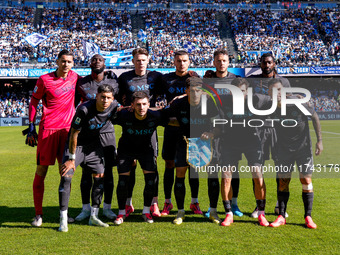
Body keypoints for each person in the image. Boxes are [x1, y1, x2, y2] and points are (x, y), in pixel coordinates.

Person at [27, 50, 80, 227]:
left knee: (66, 173)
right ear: (57, 62)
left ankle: (63, 213)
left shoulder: (75, 78)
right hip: (48, 130)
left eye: (69, 62)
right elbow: (34, 101)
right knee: (42, 171)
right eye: (63, 61)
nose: (66, 65)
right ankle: (38, 215)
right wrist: (32, 125)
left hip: (67, 132)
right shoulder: (44, 79)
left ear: (73, 64)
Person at [58, 84, 119, 232]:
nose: (105, 100)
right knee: (67, 176)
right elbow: (73, 134)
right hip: (76, 146)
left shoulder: (114, 106)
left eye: (108, 98)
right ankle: (63, 220)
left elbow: (122, 112)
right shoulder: (84, 110)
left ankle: (94, 216)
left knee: (100, 176)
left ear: (112, 99)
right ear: (96, 96)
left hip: (94, 146)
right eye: (102, 97)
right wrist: (71, 158)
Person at [267, 79, 323, 229]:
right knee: (283, 181)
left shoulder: (297, 102)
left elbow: (315, 117)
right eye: (273, 91)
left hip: (303, 148)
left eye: (279, 90)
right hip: (283, 149)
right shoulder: (269, 108)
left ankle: (308, 216)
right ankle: (281, 216)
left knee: (305, 179)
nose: (277, 94)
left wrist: (320, 141)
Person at [165, 77, 220, 225]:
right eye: (192, 91)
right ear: (186, 91)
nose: (196, 94)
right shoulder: (178, 104)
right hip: (185, 143)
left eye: (198, 91)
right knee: (180, 174)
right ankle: (180, 212)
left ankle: (213, 211)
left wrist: (212, 133)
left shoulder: (209, 103)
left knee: (212, 175)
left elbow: (220, 125)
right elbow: (164, 118)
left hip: (206, 144)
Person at [218, 78, 270, 227]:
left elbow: (277, 97)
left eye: (242, 91)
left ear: (247, 92)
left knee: (258, 177)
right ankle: (229, 214)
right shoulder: (224, 101)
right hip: (230, 141)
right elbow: (203, 95)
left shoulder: (258, 100)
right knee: (226, 177)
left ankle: (261, 214)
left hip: (252, 141)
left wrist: (292, 97)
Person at [118, 48, 163, 218]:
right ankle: (128, 203)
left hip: (148, 128)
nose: (141, 63)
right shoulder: (125, 78)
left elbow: (166, 90)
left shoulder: (156, 77)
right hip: (130, 126)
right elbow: (117, 97)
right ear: (133, 61)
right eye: (138, 60)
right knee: (129, 165)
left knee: (152, 166)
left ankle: (154, 204)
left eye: (143, 60)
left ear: (148, 60)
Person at [74, 54, 119, 222]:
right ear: (89, 63)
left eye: (99, 60)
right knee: (87, 171)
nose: (96, 62)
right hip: (88, 133)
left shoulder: (113, 81)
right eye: (93, 60)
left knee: (108, 171)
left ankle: (106, 208)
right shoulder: (82, 82)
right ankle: (86, 209)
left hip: (107, 132)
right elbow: (74, 106)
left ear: (104, 63)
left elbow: (118, 104)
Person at [113, 91, 168, 225]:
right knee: (122, 182)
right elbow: (108, 115)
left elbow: (171, 116)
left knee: (150, 181)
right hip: (126, 151)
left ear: (149, 104)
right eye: (138, 105)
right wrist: (122, 108)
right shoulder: (124, 115)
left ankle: (146, 211)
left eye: (144, 104)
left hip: (146, 151)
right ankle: (121, 213)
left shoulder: (156, 115)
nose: (141, 107)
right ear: (132, 105)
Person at [248, 53, 291, 218]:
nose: (267, 64)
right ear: (260, 63)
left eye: (269, 62)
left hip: (279, 130)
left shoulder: (284, 81)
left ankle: (280, 206)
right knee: (258, 169)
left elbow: (286, 101)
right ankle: (259, 206)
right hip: (258, 130)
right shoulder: (252, 80)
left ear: (274, 63)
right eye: (264, 62)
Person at [160, 50, 201, 216]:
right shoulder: (166, 79)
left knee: (194, 166)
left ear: (189, 62)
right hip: (172, 129)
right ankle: (167, 202)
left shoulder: (195, 77)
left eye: (184, 60)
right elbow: (158, 99)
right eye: (178, 60)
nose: (182, 63)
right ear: (174, 62)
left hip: (192, 129)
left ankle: (194, 202)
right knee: (169, 164)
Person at [203, 49, 243, 218]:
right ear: (214, 62)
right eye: (218, 61)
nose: (221, 63)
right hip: (212, 130)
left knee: (233, 170)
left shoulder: (236, 81)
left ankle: (234, 204)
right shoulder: (208, 82)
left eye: (224, 60)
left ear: (228, 62)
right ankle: (212, 207)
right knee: (212, 170)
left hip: (232, 132)